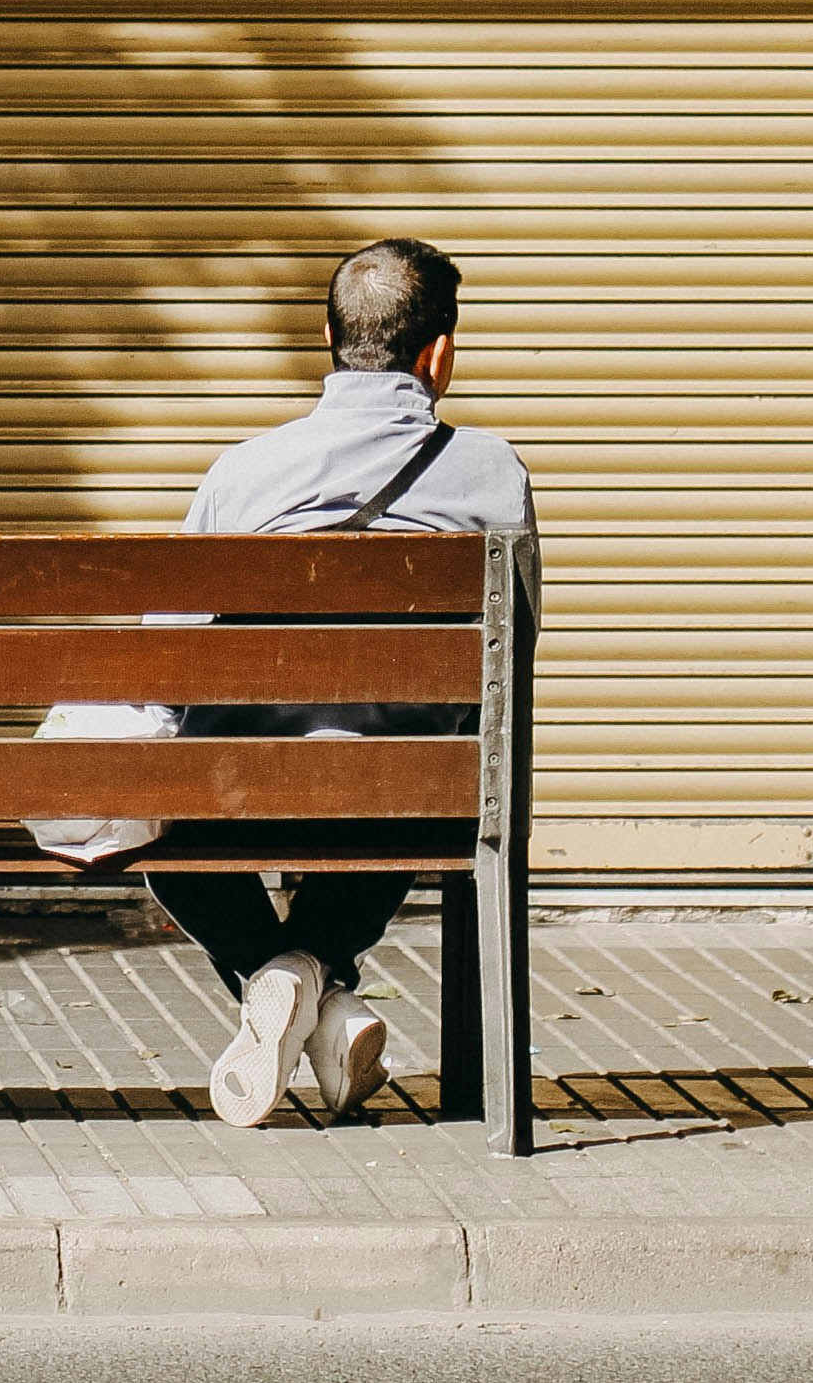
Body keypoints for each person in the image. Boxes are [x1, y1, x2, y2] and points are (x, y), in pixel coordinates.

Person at [167, 234, 538, 1128]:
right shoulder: (494, 473)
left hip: (238, 794)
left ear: (327, 339)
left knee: (158, 806)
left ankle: (279, 976)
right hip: (409, 791)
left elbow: (166, 653)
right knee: (420, 775)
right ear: (438, 354)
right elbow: (514, 653)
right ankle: (321, 988)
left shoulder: (243, 473)